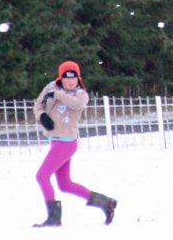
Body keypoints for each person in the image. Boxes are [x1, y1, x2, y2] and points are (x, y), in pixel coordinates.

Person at [32, 60, 117, 227]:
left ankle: (54, 218)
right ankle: (106, 203)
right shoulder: (50, 87)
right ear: (60, 78)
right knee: (65, 185)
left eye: (74, 77)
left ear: (78, 78)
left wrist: (58, 95)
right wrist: (42, 116)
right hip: (55, 140)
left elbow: (76, 105)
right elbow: (38, 105)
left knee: (42, 176)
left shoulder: (81, 94)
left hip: (66, 143)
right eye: (66, 77)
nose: (71, 81)